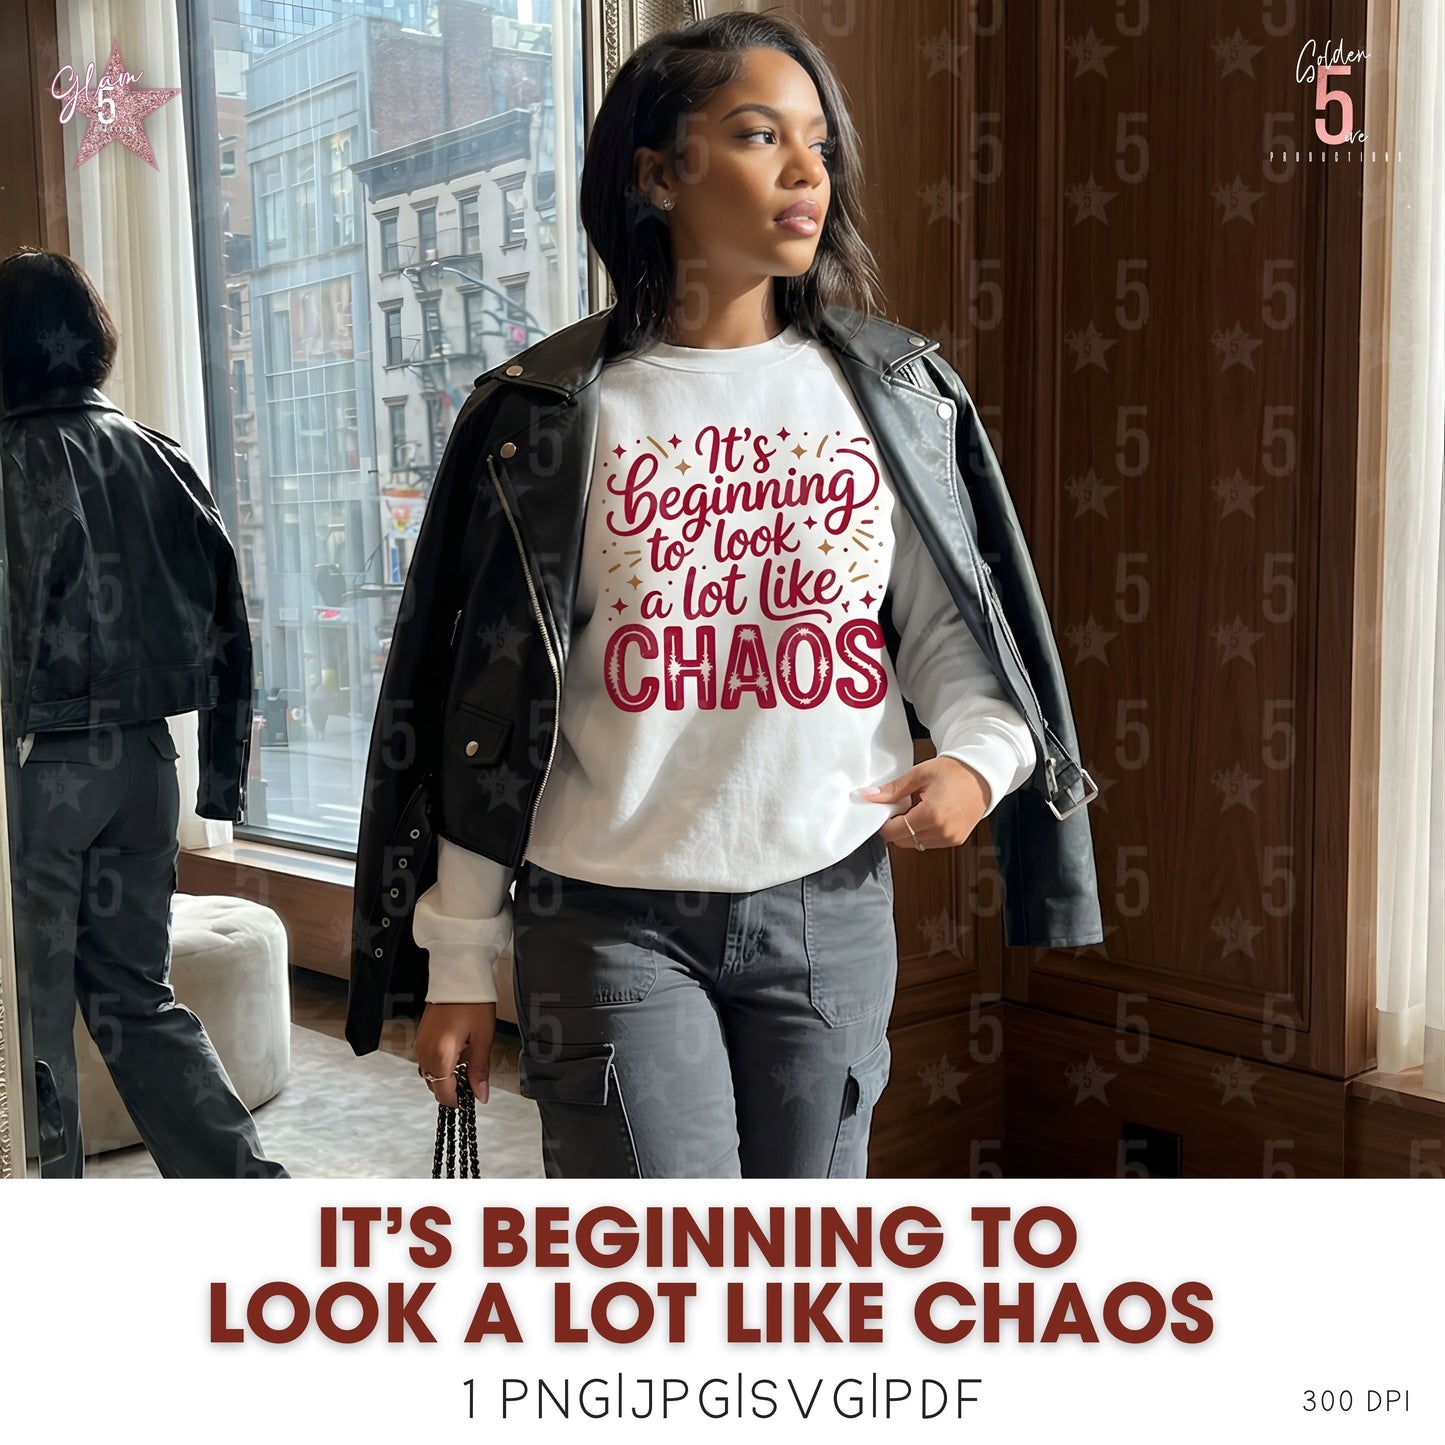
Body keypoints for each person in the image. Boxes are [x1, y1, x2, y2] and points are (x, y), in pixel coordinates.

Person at [349, 12, 1102, 1176]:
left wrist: (977, 759)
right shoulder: (544, 415)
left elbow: (956, 633)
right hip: (605, 917)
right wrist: (456, 966)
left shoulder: (893, 393)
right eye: (759, 136)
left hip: (826, 905)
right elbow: (482, 712)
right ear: (657, 174)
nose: (806, 170)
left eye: (817, 143)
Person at [0, 246, 288, 1179]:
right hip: (146, 764)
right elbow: (229, 618)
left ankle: (42, 1228)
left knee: (30, 1017)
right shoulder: (162, 455)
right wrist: (220, 781)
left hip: (35, 768)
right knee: (135, 996)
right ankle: (247, 1192)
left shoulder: (6, 462)